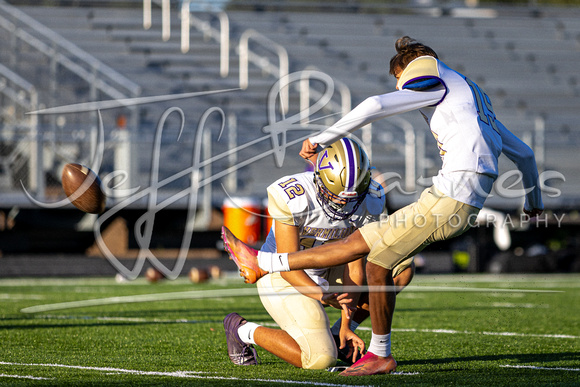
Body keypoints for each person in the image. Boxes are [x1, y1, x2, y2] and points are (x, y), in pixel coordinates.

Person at [222, 36, 544, 376]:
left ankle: (377, 352)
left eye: (398, 79)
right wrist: (533, 202)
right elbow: (525, 154)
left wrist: (322, 138)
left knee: (378, 260)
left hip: (452, 196)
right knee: (380, 256)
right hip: (453, 198)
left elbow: (376, 104)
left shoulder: (428, 72)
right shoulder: (474, 98)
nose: (400, 87)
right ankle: (331, 327)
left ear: (405, 68)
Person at [223, 137, 416, 370]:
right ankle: (242, 329)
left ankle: (337, 336)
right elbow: (288, 267)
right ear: (320, 178)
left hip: (331, 267)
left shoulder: (370, 199)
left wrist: (346, 325)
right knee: (320, 359)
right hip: (283, 275)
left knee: (400, 268)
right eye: (335, 194)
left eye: (350, 197)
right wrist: (321, 294)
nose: (341, 204)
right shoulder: (294, 195)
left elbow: (354, 265)